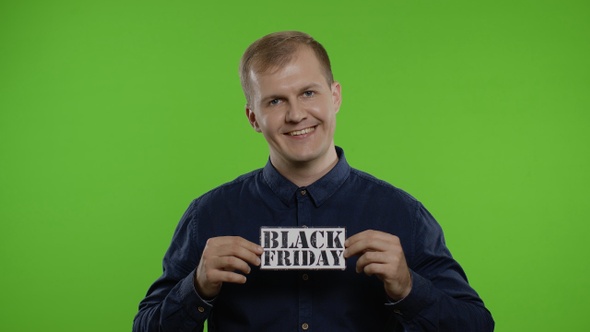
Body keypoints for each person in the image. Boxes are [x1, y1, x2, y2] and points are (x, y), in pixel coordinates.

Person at [133, 31, 494, 331]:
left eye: (308, 93)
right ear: (253, 118)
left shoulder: (402, 214)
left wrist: (408, 288)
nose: (295, 114)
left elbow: (478, 325)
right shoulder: (209, 215)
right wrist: (196, 288)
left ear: (334, 96)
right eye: (275, 101)